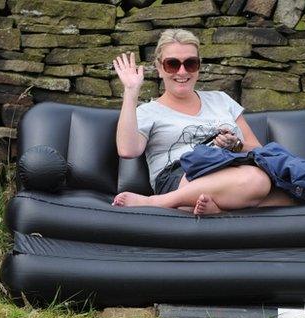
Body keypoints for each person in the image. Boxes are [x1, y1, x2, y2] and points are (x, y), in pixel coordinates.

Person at [111, 29, 294, 215]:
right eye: (172, 64)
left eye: (190, 63)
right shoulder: (148, 112)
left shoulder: (221, 100)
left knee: (289, 196)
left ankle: (213, 208)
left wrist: (236, 145)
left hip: (230, 166)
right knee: (257, 180)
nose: (182, 72)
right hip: (182, 174)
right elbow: (127, 150)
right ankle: (159, 202)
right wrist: (131, 91)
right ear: (159, 68)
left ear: (198, 67)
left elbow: (257, 148)